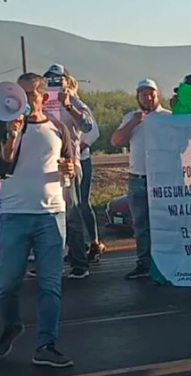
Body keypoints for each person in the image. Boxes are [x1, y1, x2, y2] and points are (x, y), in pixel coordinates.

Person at [0, 73, 75, 367]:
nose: (25, 99)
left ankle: (47, 344)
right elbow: (4, 166)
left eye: (31, 94)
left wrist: (69, 169)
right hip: (14, 215)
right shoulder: (5, 127)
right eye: (20, 93)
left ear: (43, 98)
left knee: (50, 285)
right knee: (5, 285)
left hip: (51, 215)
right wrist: (12, 135)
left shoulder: (57, 128)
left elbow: (69, 168)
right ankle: (12, 324)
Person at [111, 79, 171, 279]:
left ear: (158, 95)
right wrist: (133, 124)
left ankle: (165, 261)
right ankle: (143, 263)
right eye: (143, 94)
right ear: (138, 97)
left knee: (164, 221)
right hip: (138, 178)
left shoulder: (168, 117)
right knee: (141, 224)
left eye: (151, 93)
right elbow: (116, 140)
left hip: (162, 179)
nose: (148, 97)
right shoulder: (131, 117)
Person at [43, 64, 95, 280]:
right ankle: (51, 263)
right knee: (47, 215)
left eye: (58, 78)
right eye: (49, 79)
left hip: (69, 165)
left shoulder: (74, 101)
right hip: (44, 166)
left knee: (72, 215)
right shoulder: (43, 99)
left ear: (66, 80)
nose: (53, 82)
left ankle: (79, 264)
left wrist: (69, 106)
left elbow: (88, 127)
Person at [67, 76, 106, 263]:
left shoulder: (78, 105)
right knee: (67, 206)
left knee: (82, 203)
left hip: (80, 160)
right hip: (63, 162)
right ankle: (75, 247)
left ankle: (94, 242)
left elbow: (93, 131)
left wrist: (77, 148)